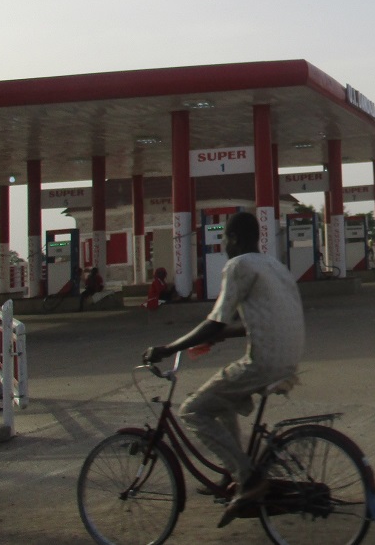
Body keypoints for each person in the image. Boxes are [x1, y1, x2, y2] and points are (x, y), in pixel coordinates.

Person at [143, 211, 305, 527]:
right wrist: (220, 336)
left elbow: (215, 321)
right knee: (220, 402)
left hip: (263, 362)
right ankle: (233, 474)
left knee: (192, 410)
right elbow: (254, 321)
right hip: (288, 358)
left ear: (235, 239)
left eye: (225, 239)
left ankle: (247, 478)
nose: (224, 246)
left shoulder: (238, 266)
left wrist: (168, 348)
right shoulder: (274, 266)